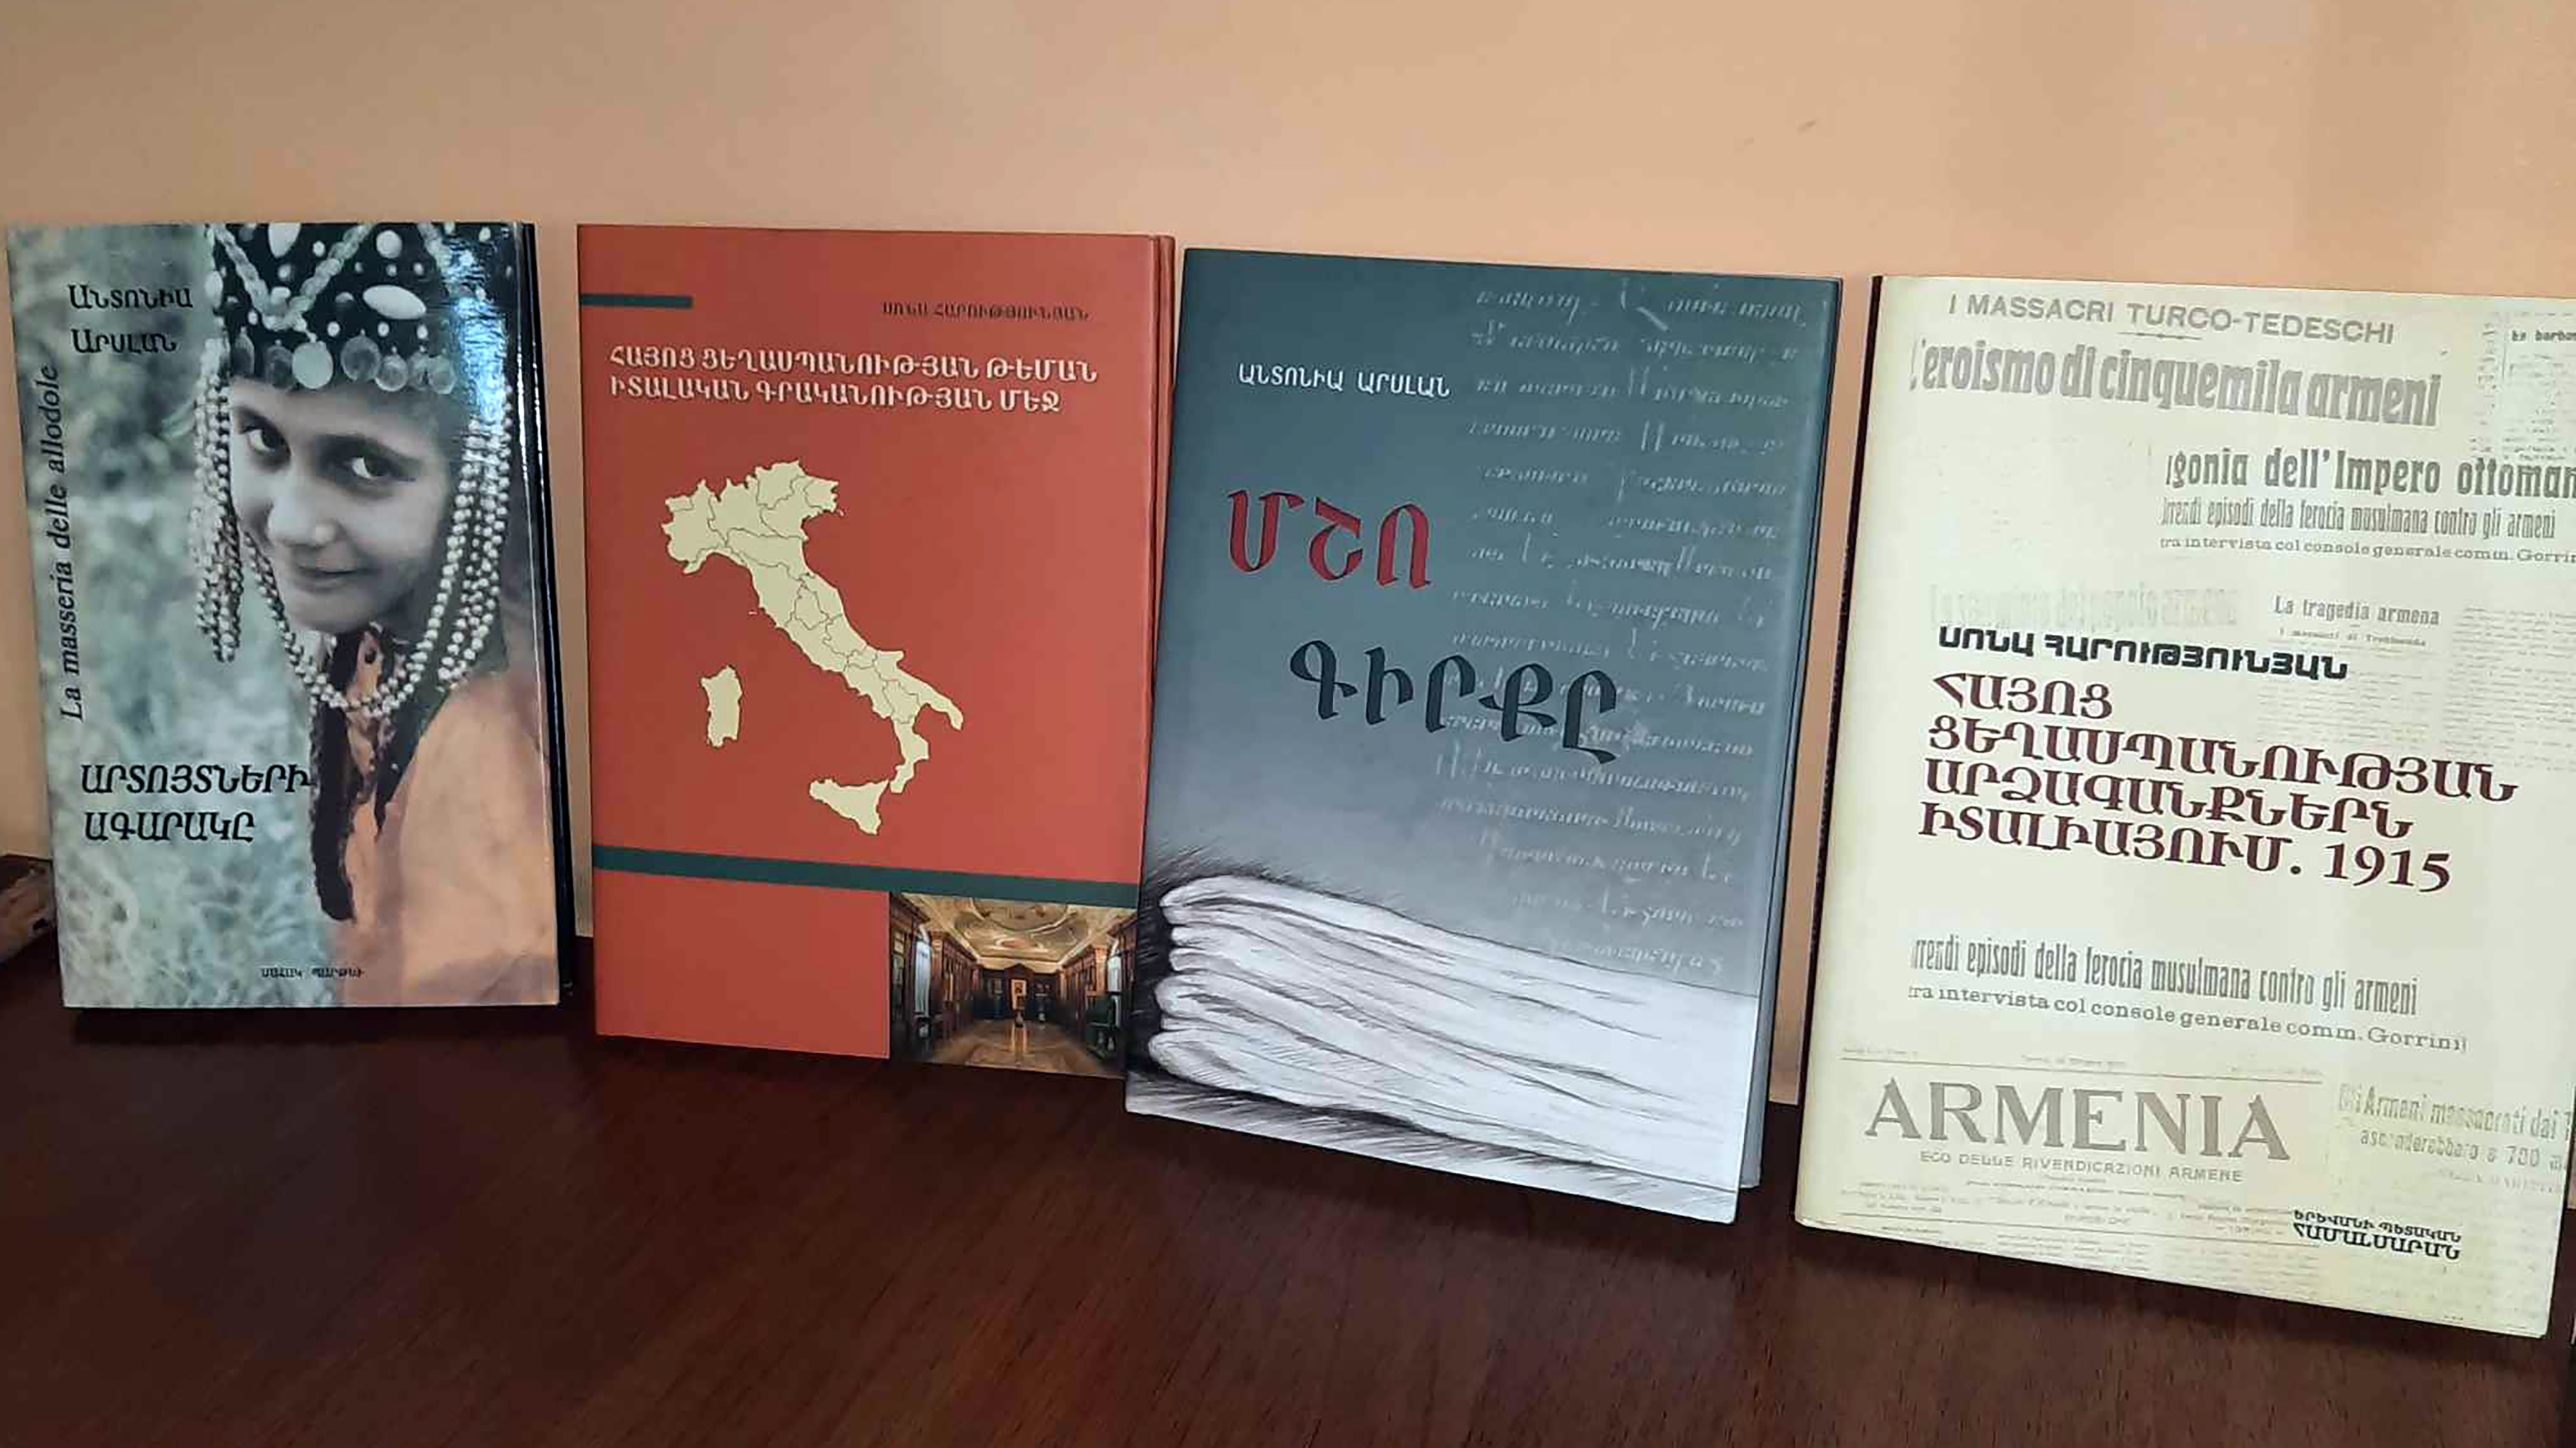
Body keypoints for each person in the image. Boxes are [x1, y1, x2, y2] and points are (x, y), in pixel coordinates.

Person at [189, 222, 555, 1004]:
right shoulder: (381, 652)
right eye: (263, 438)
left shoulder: (485, 754)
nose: (293, 523)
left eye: (363, 463)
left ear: (481, 472)